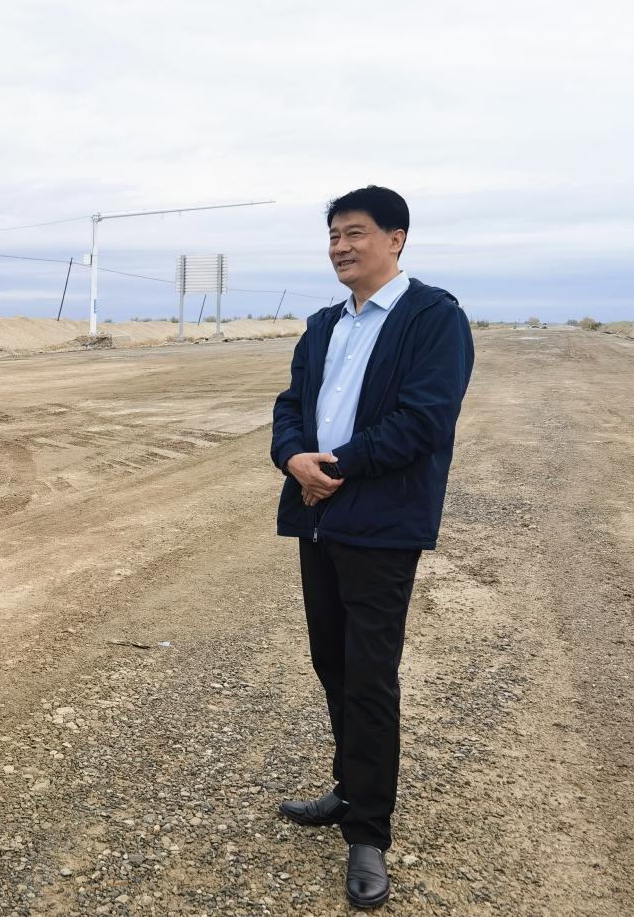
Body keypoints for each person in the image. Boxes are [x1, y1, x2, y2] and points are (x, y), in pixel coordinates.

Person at [269, 186, 474, 909]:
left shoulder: (433, 317)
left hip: (381, 524)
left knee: (370, 675)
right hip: (318, 518)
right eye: (333, 236)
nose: (340, 247)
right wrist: (292, 457)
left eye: (354, 233)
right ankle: (349, 789)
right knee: (332, 661)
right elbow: (290, 405)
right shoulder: (324, 324)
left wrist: (337, 466)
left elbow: (425, 419)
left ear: (396, 238)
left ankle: (368, 833)